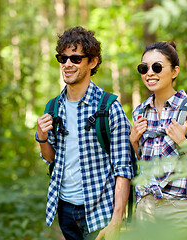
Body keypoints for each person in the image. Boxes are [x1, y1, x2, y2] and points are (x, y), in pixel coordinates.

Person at [36, 26, 133, 240]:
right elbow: (52, 158)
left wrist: (117, 220)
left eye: (76, 58)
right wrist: (41, 137)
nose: (68, 64)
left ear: (93, 62)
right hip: (64, 209)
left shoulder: (109, 107)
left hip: (100, 211)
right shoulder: (53, 107)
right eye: (63, 58)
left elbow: (123, 168)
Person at [130, 41, 187, 237]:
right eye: (144, 68)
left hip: (180, 208)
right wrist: (134, 142)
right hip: (145, 206)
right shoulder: (139, 112)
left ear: (175, 71)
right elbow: (141, 164)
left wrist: (184, 143)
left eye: (157, 67)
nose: (149, 73)